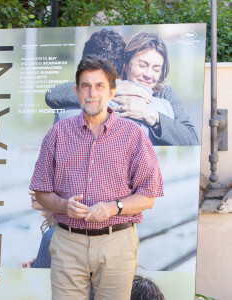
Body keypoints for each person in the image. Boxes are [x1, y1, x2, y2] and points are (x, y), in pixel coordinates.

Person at [30, 55, 163, 300]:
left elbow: (148, 196)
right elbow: (41, 190)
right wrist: (62, 205)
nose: (92, 92)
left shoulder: (133, 135)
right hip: (67, 242)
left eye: (99, 86)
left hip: (117, 242)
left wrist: (114, 207)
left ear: (112, 91)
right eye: (86, 86)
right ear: (77, 91)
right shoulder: (58, 133)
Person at [46, 30, 199, 146]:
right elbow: (53, 95)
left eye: (156, 69)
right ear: (125, 64)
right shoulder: (106, 80)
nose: (148, 74)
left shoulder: (164, 95)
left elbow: (191, 139)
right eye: (142, 65)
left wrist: (152, 116)